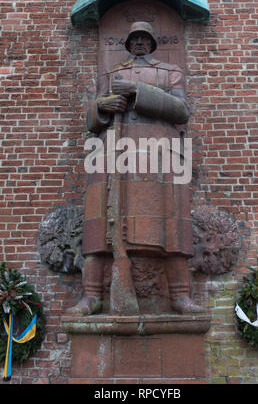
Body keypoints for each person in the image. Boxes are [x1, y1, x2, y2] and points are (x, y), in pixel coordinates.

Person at [67, 22, 203, 316]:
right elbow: (92, 121)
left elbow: (182, 111)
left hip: (160, 154)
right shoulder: (111, 74)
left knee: (171, 222)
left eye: (145, 39)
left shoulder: (170, 72)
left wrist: (138, 91)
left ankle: (180, 295)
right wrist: (104, 105)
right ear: (128, 44)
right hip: (112, 152)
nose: (139, 43)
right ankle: (92, 296)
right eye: (134, 39)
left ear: (152, 43)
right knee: (100, 221)